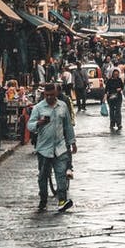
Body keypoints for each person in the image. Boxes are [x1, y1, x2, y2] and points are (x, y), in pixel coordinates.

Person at [27, 82, 77, 212]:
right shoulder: (38, 108)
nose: (49, 97)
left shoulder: (63, 106)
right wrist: (39, 123)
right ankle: (43, 200)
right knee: (43, 176)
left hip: (60, 147)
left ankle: (62, 200)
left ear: (56, 94)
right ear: (44, 94)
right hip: (44, 148)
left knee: (61, 174)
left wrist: (72, 142)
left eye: (52, 95)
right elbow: (30, 125)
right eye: (47, 95)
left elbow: (67, 126)